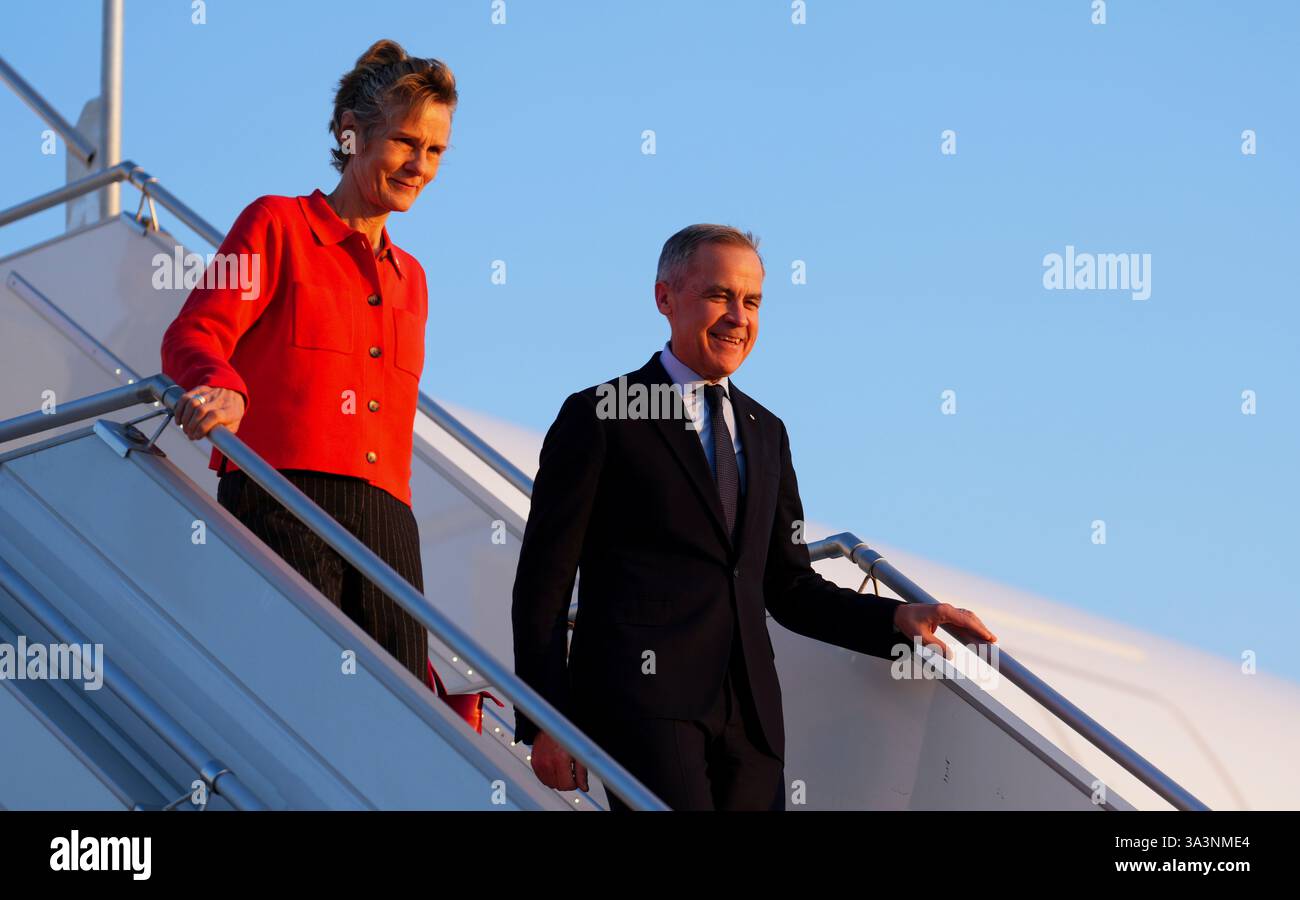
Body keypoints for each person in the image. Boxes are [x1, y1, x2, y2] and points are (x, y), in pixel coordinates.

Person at [511, 224, 998, 810]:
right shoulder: (600, 414)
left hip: (752, 723)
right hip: (644, 708)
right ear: (665, 298)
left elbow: (788, 586)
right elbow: (543, 583)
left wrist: (894, 618)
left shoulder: (767, 432)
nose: (737, 318)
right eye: (718, 295)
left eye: (752, 301)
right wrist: (546, 719)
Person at [161, 39, 454, 689]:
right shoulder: (277, 224)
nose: (421, 166)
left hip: (390, 523)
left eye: (435, 150)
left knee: (400, 715)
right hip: (280, 497)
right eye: (406, 142)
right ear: (352, 135)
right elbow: (194, 332)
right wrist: (221, 385)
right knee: (299, 694)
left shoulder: (413, 279)